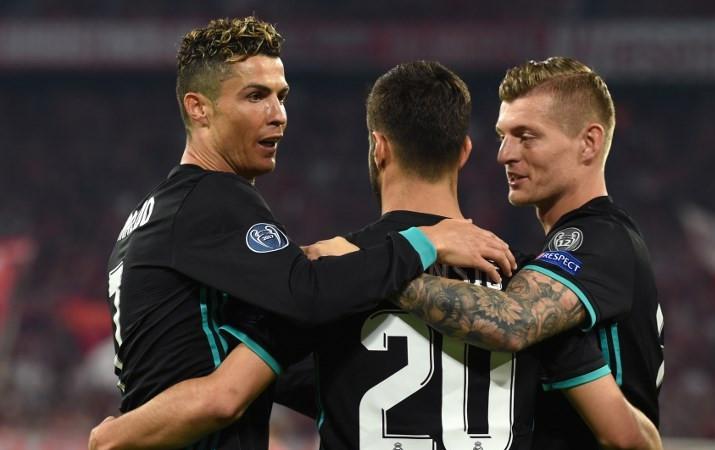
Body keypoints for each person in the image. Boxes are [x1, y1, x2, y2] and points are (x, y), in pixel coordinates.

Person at [91, 60, 661, 450]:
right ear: (464, 152)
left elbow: (224, 395)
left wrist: (113, 434)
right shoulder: (525, 277)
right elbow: (626, 434)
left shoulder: (329, 274)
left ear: (378, 147)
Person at [90, 17, 515, 450]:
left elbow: (253, 351)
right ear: (199, 108)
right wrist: (426, 241)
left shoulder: (155, 214)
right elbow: (306, 294)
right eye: (255, 96)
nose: (277, 116)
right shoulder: (214, 197)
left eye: (281, 96)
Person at [391, 57, 664, 450]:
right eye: (503, 135)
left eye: (526, 136)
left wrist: (378, 271)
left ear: (589, 142)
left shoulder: (601, 237)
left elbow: (514, 322)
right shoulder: (572, 245)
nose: (504, 154)